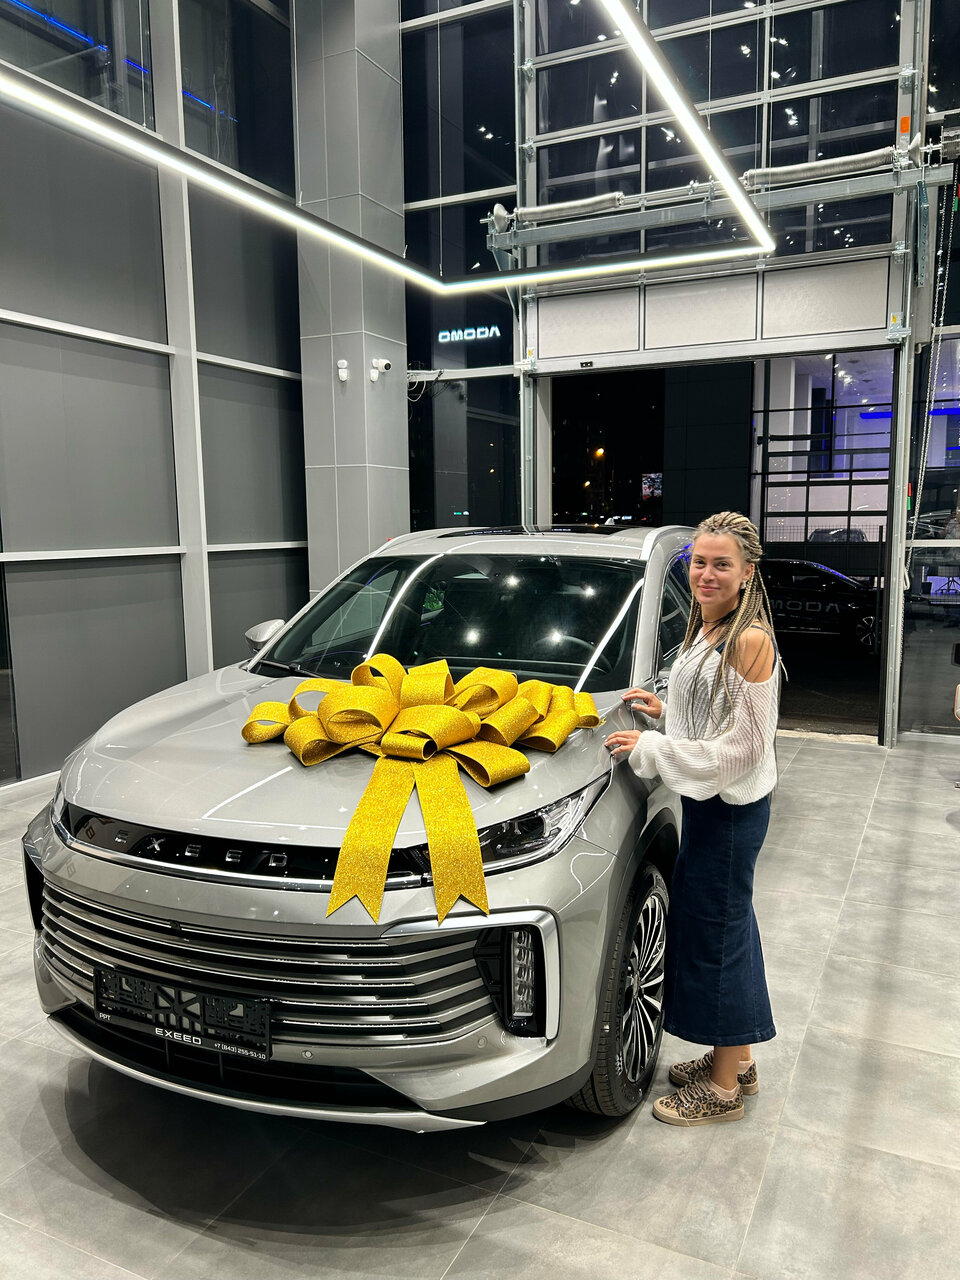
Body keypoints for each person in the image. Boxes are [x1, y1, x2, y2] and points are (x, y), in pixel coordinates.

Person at [604, 511, 781, 1127]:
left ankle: (723, 1089)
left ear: (747, 571)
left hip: (730, 813)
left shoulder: (749, 639)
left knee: (718, 936)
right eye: (699, 562)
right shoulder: (709, 626)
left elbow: (743, 749)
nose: (706, 573)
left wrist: (654, 749)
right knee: (729, 929)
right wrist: (666, 713)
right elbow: (714, 713)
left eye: (721, 564)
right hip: (712, 806)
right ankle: (738, 1058)